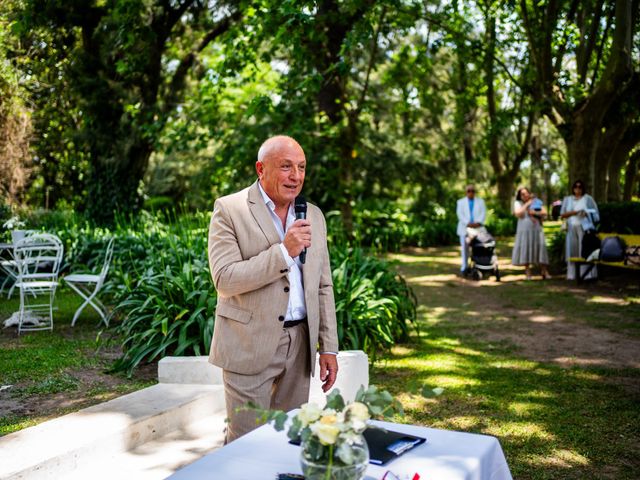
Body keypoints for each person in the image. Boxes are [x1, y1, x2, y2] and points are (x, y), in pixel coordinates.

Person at [207, 135, 339, 443]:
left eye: (302, 167)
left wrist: (328, 346)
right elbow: (225, 279)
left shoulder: (313, 215)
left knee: (289, 441)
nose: (296, 176)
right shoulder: (230, 209)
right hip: (247, 344)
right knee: (246, 445)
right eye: (286, 167)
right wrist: (283, 252)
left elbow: (323, 284)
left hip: (300, 346)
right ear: (260, 169)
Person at [560, 180, 600, 280]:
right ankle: (572, 274)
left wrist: (587, 214)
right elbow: (563, 214)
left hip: (584, 228)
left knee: (584, 250)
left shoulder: (588, 199)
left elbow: (596, 215)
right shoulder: (568, 199)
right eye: (576, 187)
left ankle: (587, 274)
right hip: (571, 227)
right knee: (572, 250)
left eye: (580, 187)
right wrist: (574, 212)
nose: (578, 189)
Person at [511, 186, 550, 279]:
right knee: (526, 249)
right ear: (519, 196)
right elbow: (518, 213)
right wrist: (527, 204)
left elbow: (544, 213)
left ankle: (544, 271)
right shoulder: (518, 203)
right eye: (522, 194)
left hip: (537, 230)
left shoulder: (536, 201)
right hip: (524, 231)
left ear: (529, 193)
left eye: (526, 193)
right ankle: (528, 272)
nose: (524, 195)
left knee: (540, 248)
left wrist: (534, 213)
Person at [456, 184, 487, 275]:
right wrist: (468, 223)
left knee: (479, 247)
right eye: (469, 191)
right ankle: (464, 267)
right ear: (466, 192)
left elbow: (483, 214)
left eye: (472, 191)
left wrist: (477, 223)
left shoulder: (480, 202)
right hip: (464, 229)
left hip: (478, 229)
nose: (471, 193)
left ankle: (479, 265)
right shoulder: (460, 202)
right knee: (465, 249)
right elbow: (460, 215)